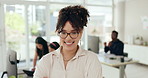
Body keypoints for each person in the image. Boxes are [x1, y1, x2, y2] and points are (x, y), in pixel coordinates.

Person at [33, 5, 102, 78]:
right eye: (63, 33)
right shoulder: (45, 61)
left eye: (74, 32)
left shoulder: (91, 60)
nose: (68, 38)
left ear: (81, 33)